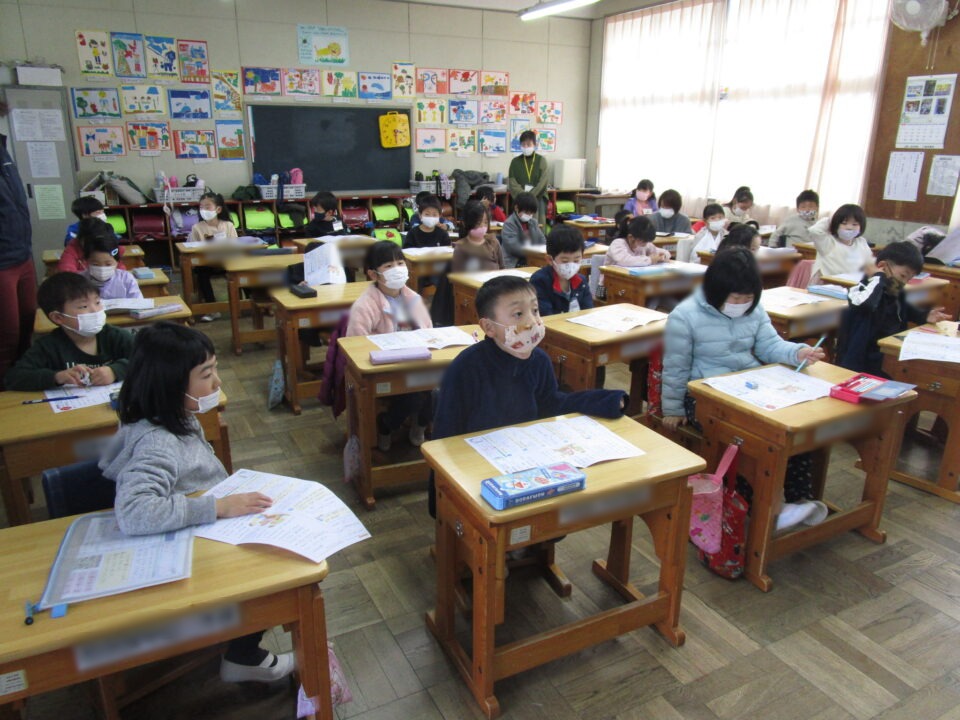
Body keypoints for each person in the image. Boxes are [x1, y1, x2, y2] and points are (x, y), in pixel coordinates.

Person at [97, 322, 295, 684]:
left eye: (215, 369)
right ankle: (243, 655)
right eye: (206, 374)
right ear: (170, 383)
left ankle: (241, 646)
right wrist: (218, 507)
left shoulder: (176, 416)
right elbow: (133, 512)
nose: (218, 382)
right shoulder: (158, 441)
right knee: (280, 570)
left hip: (199, 529)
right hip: (185, 550)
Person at [429, 275, 627, 516]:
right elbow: (445, 435)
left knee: (561, 507)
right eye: (518, 314)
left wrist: (608, 401)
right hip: (478, 465)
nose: (532, 321)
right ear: (489, 327)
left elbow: (552, 404)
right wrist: (441, 496)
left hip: (524, 460)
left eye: (535, 310)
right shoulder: (467, 367)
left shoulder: (539, 360)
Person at [661, 249, 824, 504]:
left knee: (792, 431)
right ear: (716, 290)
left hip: (748, 389)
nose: (741, 304)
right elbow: (676, 366)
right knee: (748, 440)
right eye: (735, 297)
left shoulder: (754, 310)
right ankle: (750, 507)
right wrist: (673, 409)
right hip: (704, 397)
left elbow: (770, 345)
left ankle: (799, 501)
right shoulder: (685, 315)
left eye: (748, 298)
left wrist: (798, 352)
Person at [347, 241, 433, 450]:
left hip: (417, 361)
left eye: (400, 263)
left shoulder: (413, 298)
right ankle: (386, 425)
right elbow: (355, 346)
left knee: (440, 390)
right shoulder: (365, 305)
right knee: (414, 395)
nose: (397, 269)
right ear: (373, 274)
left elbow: (429, 331)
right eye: (388, 266)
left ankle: (420, 425)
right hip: (386, 368)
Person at [5, 272, 134, 391]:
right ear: (58, 317)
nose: (95, 311)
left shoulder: (115, 336)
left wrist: (116, 371)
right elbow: (14, 377)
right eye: (83, 306)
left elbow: (145, 359)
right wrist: (56, 377)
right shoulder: (48, 346)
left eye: (97, 302)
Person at [837, 241, 950, 376]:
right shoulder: (860, 289)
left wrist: (925, 316)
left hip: (887, 355)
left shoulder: (895, 291)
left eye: (909, 279)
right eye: (903, 276)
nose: (904, 282)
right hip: (859, 362)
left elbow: (909, 311)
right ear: (882, 266)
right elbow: (866, 304)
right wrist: (878, 277)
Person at [0, 122, 36, 387]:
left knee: (28, 322)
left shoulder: (3, 149)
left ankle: (20, 381)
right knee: (7, 333)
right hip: (2, 261)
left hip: (21, 252)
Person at [190, 192, 237, 321]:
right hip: (207, 263)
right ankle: (212, 309)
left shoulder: (228, 225)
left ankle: (249, 303)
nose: (203, 210)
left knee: (243, 269)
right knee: (201, 273)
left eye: (207, 207)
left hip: (227, 262)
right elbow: (193, 249)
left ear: (218, 209)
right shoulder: (197, 228)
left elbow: (235, 246)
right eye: (201, 207)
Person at [530, 225, 592, 315]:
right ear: (550, 260)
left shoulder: (581, 281)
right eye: (565, 261)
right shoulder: (540, 281)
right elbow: (546, 316)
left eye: (576, 260)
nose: (571, 265)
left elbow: (588, 312)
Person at [78, 218, 143, 300]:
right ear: (86, 261)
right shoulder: (79, 281)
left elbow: (139, 302)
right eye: (95, 264)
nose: (102, 268)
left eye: (108, 264)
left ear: (117, 261)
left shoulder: (126, 279)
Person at [809, 203, 873, 284]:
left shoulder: (861, 242)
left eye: (855, 224)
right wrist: (832, 219)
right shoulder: (828, 242)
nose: (849, 227)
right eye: (844, 223)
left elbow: (869, 264)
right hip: (826, 285)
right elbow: (814, 231)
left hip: (852, 284)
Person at [508, 130, 549, 224]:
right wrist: (524, 198)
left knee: (537, 225)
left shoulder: (541, 160)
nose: (526, 147)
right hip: (520, 199)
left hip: (538, 198)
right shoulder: (515, 162)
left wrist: (530, 196)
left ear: (535, 144)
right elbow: (512, 183)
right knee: (520, 225)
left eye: (528, 144)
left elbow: (543, 182)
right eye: (523, 144)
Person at [452, 200, 504, 273]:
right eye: (478, 223)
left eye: (485, 222)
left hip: (494, 279)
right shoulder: (461, 247)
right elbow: (458, 275)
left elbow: (502, 268)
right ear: (466, 224)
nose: (482, 226)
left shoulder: (493, 242)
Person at [603, 215, 671, 269]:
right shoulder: (618, 244)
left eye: (647, 242)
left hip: (633, 279)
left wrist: (662, 256)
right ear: (631, 237)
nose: (645, 245)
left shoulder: (645, 244)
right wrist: (650, 260)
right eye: (643, 241)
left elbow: (664, 252)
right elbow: (625, 261)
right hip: (610, 280)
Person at [500, 192, 546, 268]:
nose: (529, 215)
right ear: (516, 208)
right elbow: (514, 248)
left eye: (531, 213)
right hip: (514, 262)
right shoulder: (509, 224)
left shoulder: (533, 222)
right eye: (526, 212)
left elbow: (542, 240)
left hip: (533, 258)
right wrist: (534, 251)